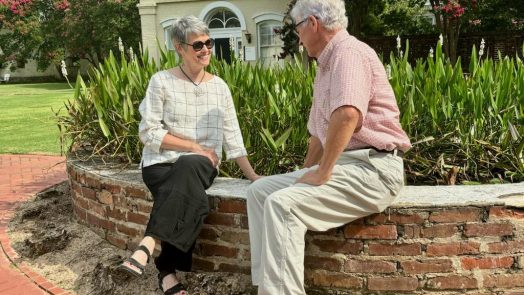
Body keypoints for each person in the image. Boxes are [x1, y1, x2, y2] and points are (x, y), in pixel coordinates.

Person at [246, 0, 412, 294]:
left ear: (312, 23)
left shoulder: (349, 54)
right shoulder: (326, 63)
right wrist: (306, 173)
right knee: (260, 192)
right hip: (347, 166)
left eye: (297, 28)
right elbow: (318, 135)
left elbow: (347, 115)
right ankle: (267, 287)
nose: (296, 37)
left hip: (373, 168)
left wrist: (322, 173)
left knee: (283, 205)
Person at [118, 16, 260, 295]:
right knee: (186, 189)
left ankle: (147, 243)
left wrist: (252, 175)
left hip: (201, 165)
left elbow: (233, 136)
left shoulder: (220, 87)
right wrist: (194, 146)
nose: (206, 49)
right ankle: (167, 272)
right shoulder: (161, 81)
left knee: (188, 166)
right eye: (198, 45)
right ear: (179, 47)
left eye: (209, 43)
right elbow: (148, 133)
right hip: (159, 164)